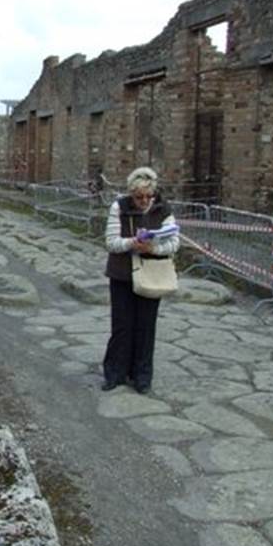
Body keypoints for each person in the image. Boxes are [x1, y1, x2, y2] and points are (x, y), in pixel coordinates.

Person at [101, 167, 179, 394]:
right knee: (122, 326)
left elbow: (174, 244)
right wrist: (132, 243)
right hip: (122, 274)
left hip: (151, 274)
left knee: (146, 327)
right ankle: (115, 373)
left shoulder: (163, 210)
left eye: (148, 196)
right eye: (139, 197)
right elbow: (111, 242)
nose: (144, 201)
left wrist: (153, 247)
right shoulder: (119, 207)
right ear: (131, 193)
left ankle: (142, 376)